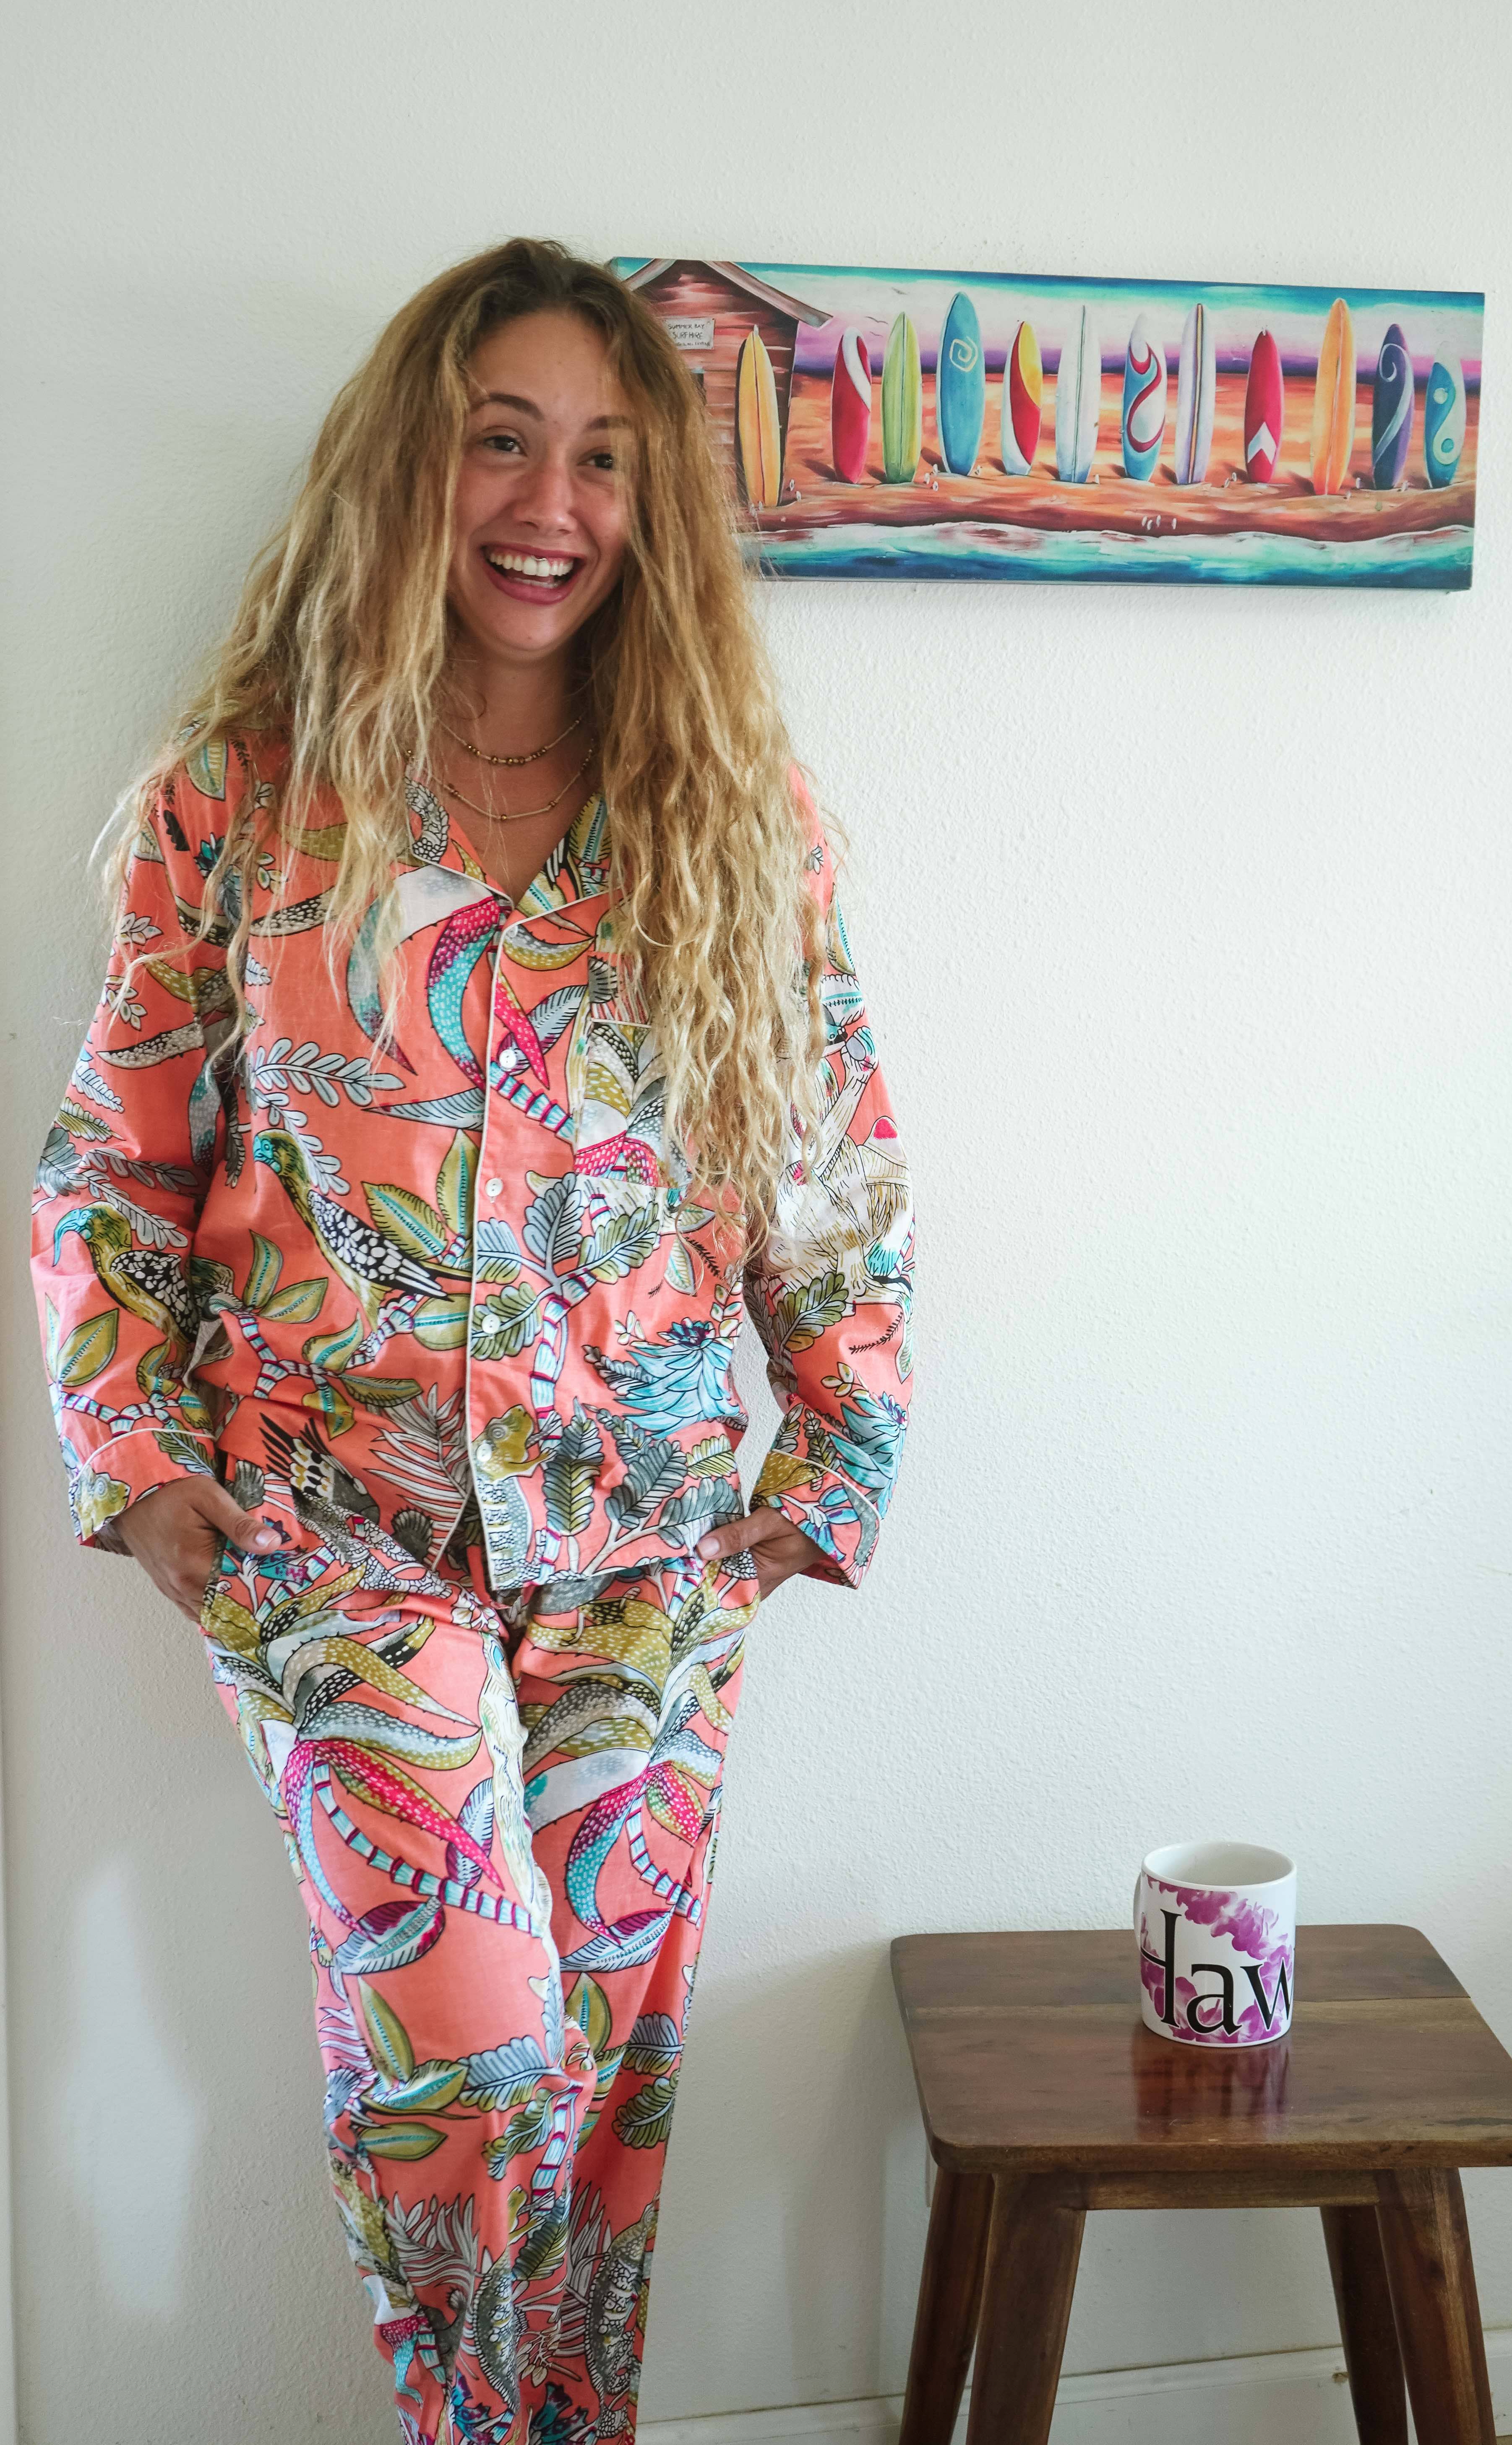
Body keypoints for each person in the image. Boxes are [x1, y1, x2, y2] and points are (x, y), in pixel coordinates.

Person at [31, 238, 914, 2445]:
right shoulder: (246, 800)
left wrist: (832, 1463)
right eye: (500, 441)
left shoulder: (733, 815)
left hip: (649, 1543)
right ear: (407, 468)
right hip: (334, 1538)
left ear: (653, 504)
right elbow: (115, 1161)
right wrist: (136, 1459)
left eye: (604, 458)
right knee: (476, 2046)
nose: (551, 502)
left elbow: (828, 1161)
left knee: (603, 2087)